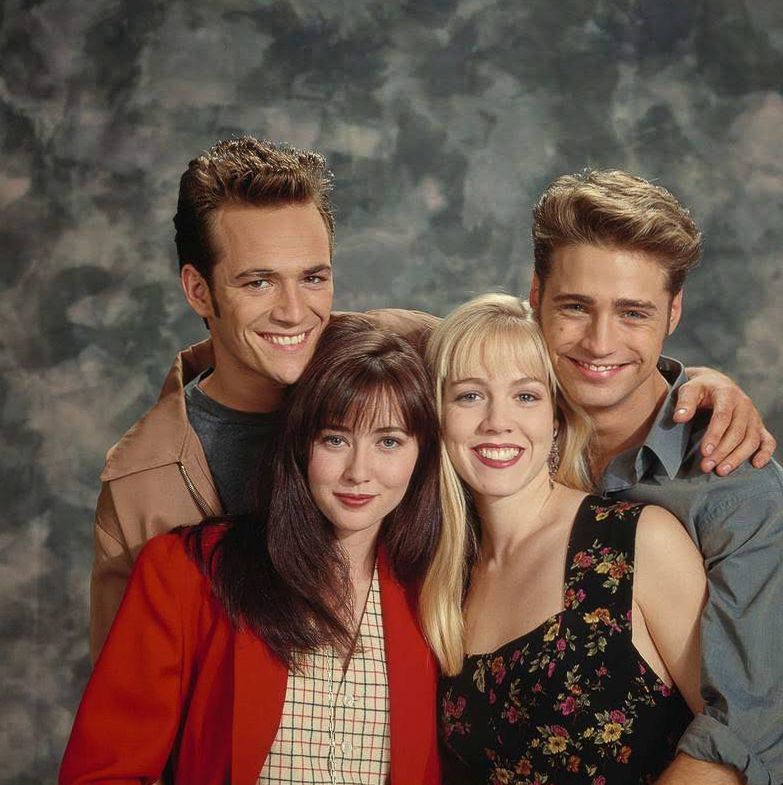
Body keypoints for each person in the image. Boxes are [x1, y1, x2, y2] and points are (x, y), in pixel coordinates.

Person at [90, 136, 435, 660]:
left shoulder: (418, 360)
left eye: (313, 278)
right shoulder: (141, 481)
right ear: (198, 290)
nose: (294, 312)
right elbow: (130, 690)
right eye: (259, 283)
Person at [61, 315, 442, 784]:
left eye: (389, 441)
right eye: (336, 439)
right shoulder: (189, 571)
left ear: (421, 455)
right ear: (300, 443)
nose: (358, 472)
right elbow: (102, 773)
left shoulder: (436, 591)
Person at [527, 170, 782, 785]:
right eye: (574, 307)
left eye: (633, 313)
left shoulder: (734, 487)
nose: (600, 341)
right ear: (534, 297)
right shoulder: (496, 437)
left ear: (673, 313)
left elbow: (746, 735)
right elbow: (372, 352)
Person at [422, 293, 707, 784]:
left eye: (526, 396)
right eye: (469, 395)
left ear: (555, 419)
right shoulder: (445, 580)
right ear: (438, 417)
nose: (497, 421)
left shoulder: (635, 542)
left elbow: (744, 735)